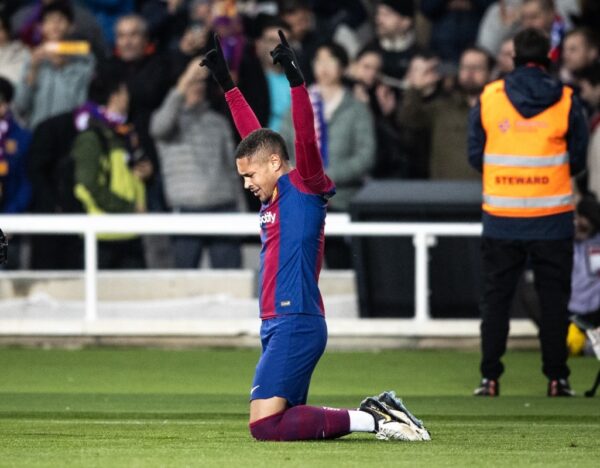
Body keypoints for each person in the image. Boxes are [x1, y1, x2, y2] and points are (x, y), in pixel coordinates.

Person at [201, 31, 430, 442]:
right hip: (276, 322)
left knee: (263, 425)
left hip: (297, 320)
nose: (247, 184)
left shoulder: (306, 184)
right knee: (287, 422)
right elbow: (253, 137)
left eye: (250, 175)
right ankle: (379, 415)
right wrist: (227, 85)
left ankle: (377, 419)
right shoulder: (270, 193)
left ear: (275, 163)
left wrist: (296, 81)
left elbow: (304, 138)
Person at [468, 28, 588, 397]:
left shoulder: (490, 98)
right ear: (550, 56)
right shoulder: (567, 100)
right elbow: (578, 160)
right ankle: (557, 378)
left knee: (497, 302)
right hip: (552, 219)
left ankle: (490, 379)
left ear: (514, 56)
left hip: (501, 219)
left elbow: (476, 155)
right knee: (554, 303)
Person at [280, 41, 375, 269]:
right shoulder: (299, 103)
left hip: (342, 198)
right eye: (319, 61)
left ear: (342, 67)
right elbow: (281, 144)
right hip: (303, 198)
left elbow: (366, 155)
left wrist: (327, 176)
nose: (324, 67)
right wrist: (297, 174)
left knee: (342, 265)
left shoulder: (356, 108)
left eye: (330, 61)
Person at [150, 58, 242, 269]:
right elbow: (159, 128)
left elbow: (232, 169)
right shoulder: (167, 121)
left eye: (201, 82)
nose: (197, 87)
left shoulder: (218, 122)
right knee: (183, 282)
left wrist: (241, 212)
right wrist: (187, 77)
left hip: (224, 208)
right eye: (192, 82)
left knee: (231, 281)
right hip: (186, 210)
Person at [71, 71, 147, 270]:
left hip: (129, 231)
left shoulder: (121, 132)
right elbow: (86, 185)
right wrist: (128, 208)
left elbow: (119, 176)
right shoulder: (92, 137)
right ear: (114, 96)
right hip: (102, 235)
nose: (128, 98)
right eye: (125, 93)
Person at [397, 47, 494, 180]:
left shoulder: (500, 109)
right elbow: (408, 119)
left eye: (476, 67)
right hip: (444, 192)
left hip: (488, 191)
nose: (470, 73)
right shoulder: (442, 107)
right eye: (465, 67)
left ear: (489, 73)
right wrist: (416, 89)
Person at [12, 1, 95, 129]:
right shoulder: (32, 58)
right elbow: (20, 106)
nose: (55, 25)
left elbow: (80, 103)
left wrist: (63, 67)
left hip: (68, 133)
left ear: (71, 26)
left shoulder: (83, 61)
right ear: (41, 27)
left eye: (60, 20)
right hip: (37, 132)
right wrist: (33, 69)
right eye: (49, 20)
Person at [0, 77, 32, 270]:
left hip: (7, 222)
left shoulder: (21, 138)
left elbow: (26, 182)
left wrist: (10, 217)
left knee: (5, 281)